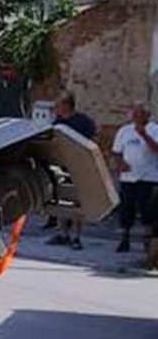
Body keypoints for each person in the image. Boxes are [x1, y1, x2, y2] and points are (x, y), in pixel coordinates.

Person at [46, 95, 97, 250]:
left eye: (58, 105)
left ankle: (76, 236)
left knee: (77, 202)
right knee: (63, 199)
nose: (56, 108)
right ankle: (63, 234)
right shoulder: (58, 122)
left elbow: (91, 142)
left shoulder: (83, 122)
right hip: (62, 166)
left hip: (79, 166)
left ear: (67, 105)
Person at [112, 101, 158, 253]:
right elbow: (117, 152)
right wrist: (120, 163)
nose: (137, 117)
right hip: (128, 177)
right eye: (135, 114)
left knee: (148, 211)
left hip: (148, 177)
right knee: (126, 210)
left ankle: (148, 243)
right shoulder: (124, 131)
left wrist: (144, 135)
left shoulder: (154, 129)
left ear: (147, 115)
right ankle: (124, 239)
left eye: (140, 114)